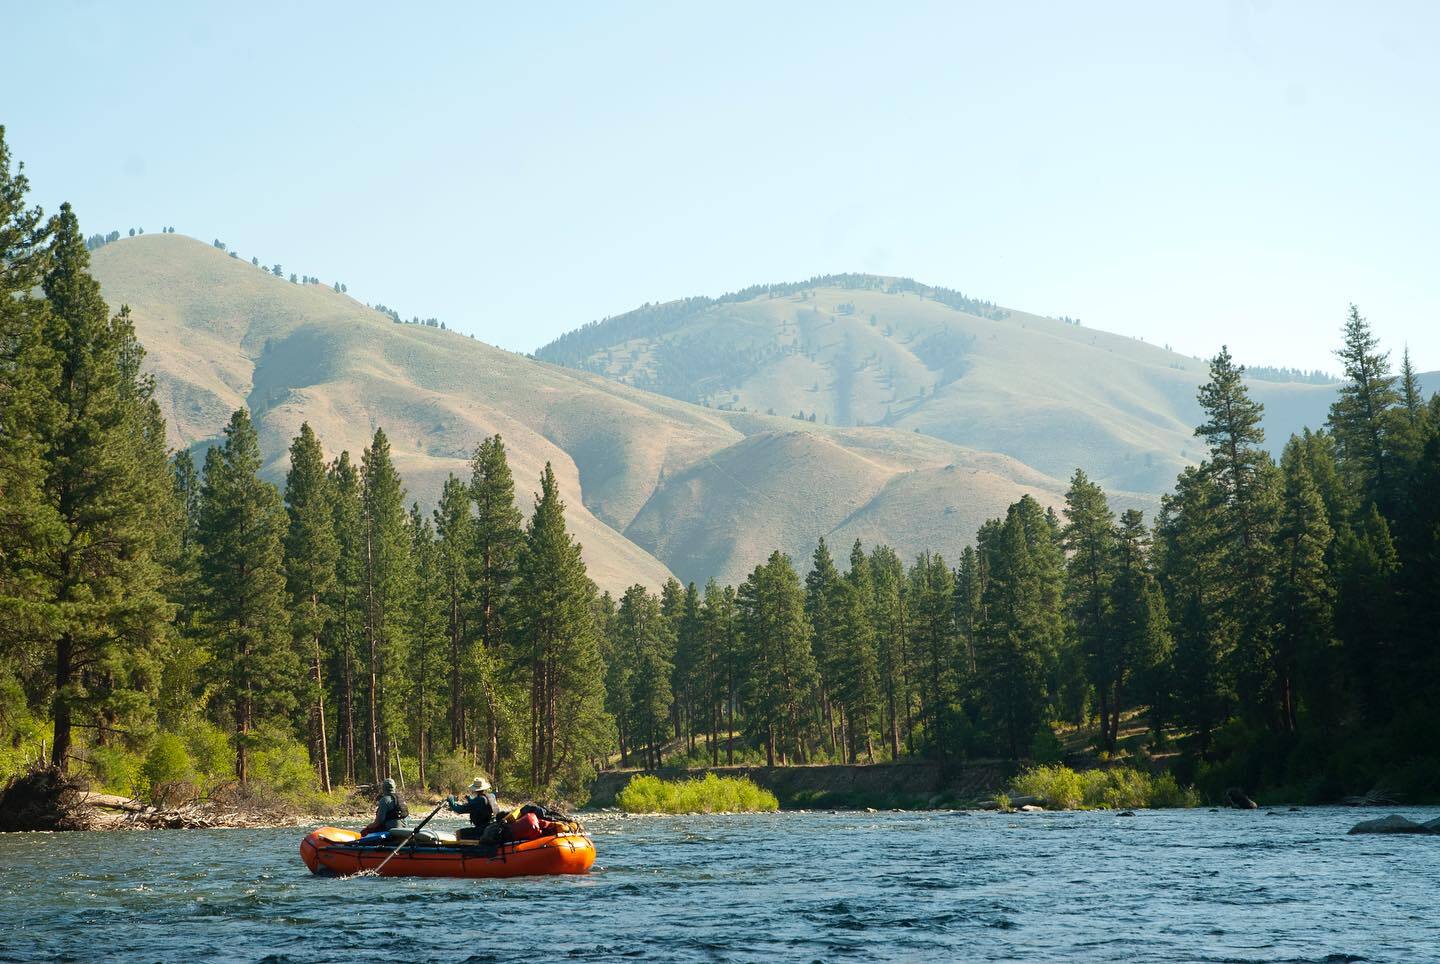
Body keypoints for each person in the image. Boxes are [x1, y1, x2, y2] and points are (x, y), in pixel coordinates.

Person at [446, 776, 499, 841]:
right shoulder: (491, 796)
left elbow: (459, 810)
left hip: (482, 829)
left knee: (458, 833)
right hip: (491, 826)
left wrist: (451, 801)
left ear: (474, 789)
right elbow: (483, 804)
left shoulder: (478, 800)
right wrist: (469, 799)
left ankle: (461, 849)